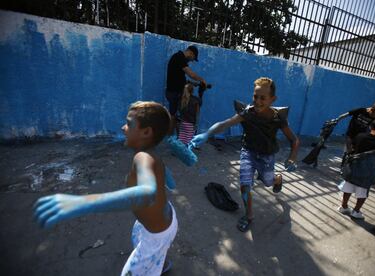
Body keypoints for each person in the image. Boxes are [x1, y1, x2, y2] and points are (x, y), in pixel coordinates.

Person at [34, 102, 177, 276]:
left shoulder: (143, 157)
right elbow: (169, 181)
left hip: (157, 233)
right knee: (141, 241)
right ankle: (158, 263)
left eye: (129, 123)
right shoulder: (153, 155)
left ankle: (154, 262)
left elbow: (147, 192)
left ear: (146, 132)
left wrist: (82, 202)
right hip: (164, 220)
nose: (123, 127)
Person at [191, 77, 300, 232]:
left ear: (272, 99)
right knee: (245, 185)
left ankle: (277, 178)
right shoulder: (247, 113)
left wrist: (292, 158)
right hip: (248, 152)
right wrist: (207, 134)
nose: (258, 101)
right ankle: (249, 216)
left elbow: (294, 140)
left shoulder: (277, 118)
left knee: (268, 182)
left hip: (267, 156)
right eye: (255, 96)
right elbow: (225, 123)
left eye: (263, 98)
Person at [338, 117, 375, 219]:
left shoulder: (360, 136)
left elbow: (352, 149)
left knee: (348, 188)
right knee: (362, 193)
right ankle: (356, 211)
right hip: (368, 174)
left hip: (353, 170)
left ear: (371, 126)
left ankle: (344, 206)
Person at [166, 45, 207, 133]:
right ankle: (170, 137)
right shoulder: (179, 57)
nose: (192, 60)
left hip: (175, 91)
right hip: (174, 92)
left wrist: (192, 83)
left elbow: (179, 77)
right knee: (174, 115)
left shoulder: (180, 58)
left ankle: (176, 137)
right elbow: (191, 74)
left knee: (178, 115)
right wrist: (202, 79)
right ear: (190, 53)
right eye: (193, 58)